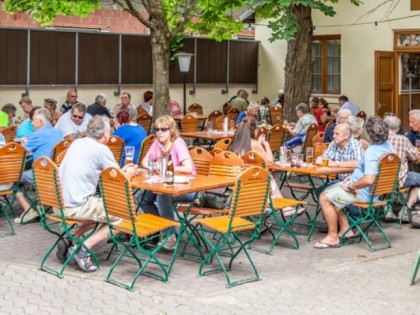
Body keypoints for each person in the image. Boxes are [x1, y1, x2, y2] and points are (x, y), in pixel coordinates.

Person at [58, 115, 137, 272]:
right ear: (106, 134)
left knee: (104, 211)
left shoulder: (77, 143)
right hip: (78, 205)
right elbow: (118, 179)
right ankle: (84, 248)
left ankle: (71, 239)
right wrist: (131, 171)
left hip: (60, 203)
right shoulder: (101, 149)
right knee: (124, 214)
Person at [314, 117, 394, 249]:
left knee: (324, 197)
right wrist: (352, 179)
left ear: (368, 133)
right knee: (329, 190)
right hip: (377, 191)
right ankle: (346, 230)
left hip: (363, 193)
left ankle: (332, 237)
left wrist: (351, 186)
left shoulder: (371, 153)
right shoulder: (388, 147)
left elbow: (369, 179)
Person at [140, 115, 196, 250]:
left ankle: (169, 236)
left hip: (188, 188)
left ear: (171, 130)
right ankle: (163, 227)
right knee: (142, 198)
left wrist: (167, 167)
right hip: (165, 183)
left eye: (163, 129)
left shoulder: (178, 143)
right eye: (156, 129)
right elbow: (144, 161)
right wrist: (154, 167)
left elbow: (188, 167)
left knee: (162, 196)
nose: (159, 132)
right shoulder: (157, 143)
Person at [14, 108, 63, 223]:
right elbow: (43, 149)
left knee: (14, 177)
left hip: (41, 175)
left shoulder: (37, 134)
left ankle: (29, 210)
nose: (31, 123)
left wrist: (23, 142)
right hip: (57, 174)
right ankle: (43, 205)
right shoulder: (58, 132)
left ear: (41, 122)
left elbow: (21, 153)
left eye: (34, 120)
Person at [384, 115, 420, 222]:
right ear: (397, 129)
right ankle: (406, 208)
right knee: (417, 179)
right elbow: (415, 157)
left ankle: (387, 208)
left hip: (380, 181)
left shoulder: (378, 140)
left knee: (387, 174)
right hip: (400, 179)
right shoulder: (402, 139)